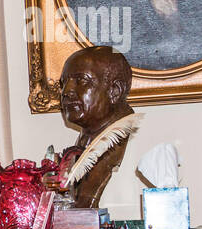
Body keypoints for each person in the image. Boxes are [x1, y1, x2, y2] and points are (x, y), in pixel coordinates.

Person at [48, 45, 142, 208]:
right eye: (64, 83)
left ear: (114, 91)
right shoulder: (81, 145)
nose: (66, 92)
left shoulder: (136, 141)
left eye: (81, 80)